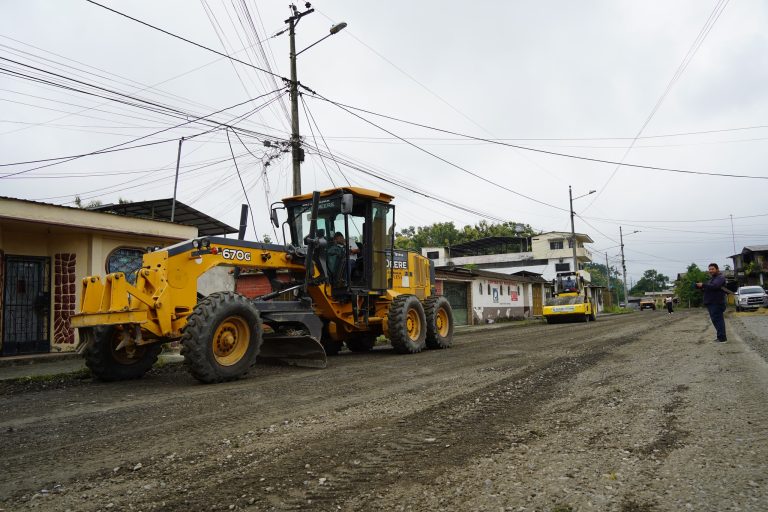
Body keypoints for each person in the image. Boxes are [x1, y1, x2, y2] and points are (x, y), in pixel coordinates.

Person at [696, 263, 727, 342]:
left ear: (717, 269)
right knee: (715, 320)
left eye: (712, 269)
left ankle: (722, 338)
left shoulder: (720, 278)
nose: (711, 271)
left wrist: (703, 285)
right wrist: (700, 287)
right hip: (711, 303)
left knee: (718, 320)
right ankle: (720, 337)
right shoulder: (712, 279)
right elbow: (709, 288)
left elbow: (715, 286)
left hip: (716, 302)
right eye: (709, 269)